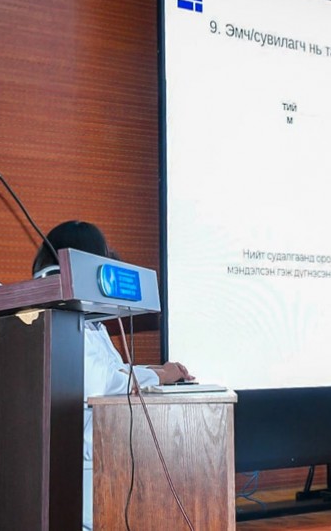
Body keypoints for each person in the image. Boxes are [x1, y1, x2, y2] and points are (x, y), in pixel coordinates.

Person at [32, 220, 193, 531]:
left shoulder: (92, 321)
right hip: (81, 460)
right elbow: (102, 384)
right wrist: (159, 376)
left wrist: (159, 372)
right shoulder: (61, 317)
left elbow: (114, 372)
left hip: (99, 450)